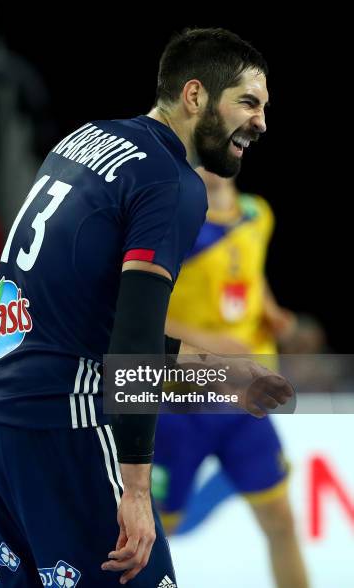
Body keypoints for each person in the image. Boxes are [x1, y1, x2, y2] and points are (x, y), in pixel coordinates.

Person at [0, 27, 292, 587]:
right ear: (195, 96)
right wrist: (136, 488)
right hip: (64, 425)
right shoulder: (171, 181)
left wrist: (223, 376)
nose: (261, 121)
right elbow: (135, 340)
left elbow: (89, 324)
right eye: (248, 102)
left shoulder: (85, 140)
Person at [154, 168, 309, 588]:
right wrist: (212, 344)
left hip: (246, 405)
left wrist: (270, 311)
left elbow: (250, 274)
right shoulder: (172, 224)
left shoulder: (258, 214)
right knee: (149, 535)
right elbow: (140, 314)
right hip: (178, 408)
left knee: (280, 519)